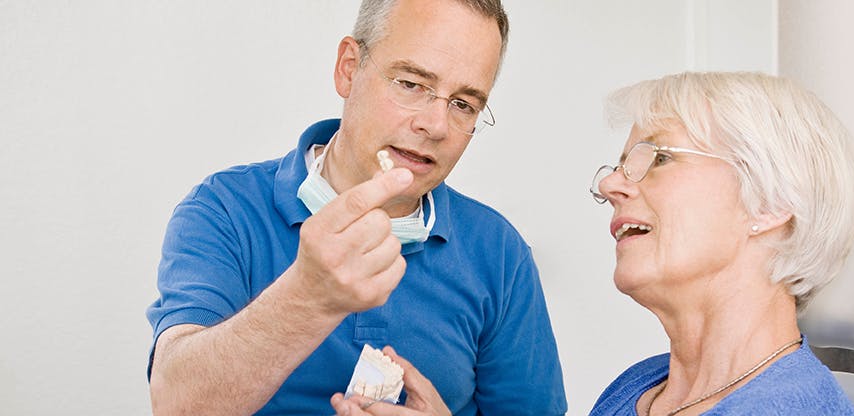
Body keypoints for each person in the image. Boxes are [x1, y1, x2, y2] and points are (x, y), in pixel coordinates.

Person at [145, 1, 566, 415]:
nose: (435, 126)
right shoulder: (225, 210)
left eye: (463, 104)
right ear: (349, 67)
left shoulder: (500, 253)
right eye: (411, 83)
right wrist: (309, 296)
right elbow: (176, 404)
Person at [586, 72, 854, 415]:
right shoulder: (638, 385)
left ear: (770, 202)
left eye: (659, 158)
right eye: (620, 166)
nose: (609, 185)